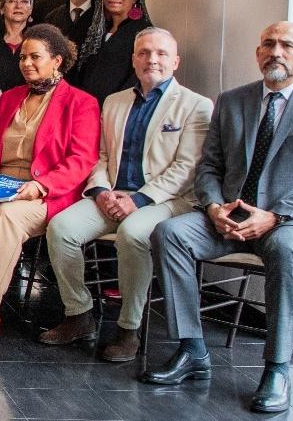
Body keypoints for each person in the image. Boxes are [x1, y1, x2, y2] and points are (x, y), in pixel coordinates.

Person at [142, 22, 293, 415]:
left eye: (287, 45)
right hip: (230, 215)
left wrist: (275, 215)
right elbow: (209, 167)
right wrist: (212, 207)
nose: (276, 51)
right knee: (169, 232)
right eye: (268, 44)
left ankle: (277, 368)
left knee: (288, 247)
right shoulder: (233, 100)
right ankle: (192, 349)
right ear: (258, 54)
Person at [40, 27, 213, 362]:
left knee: (133, 234)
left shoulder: (196, 105)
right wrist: (103, 191)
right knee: (61, 228)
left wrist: (138, 200)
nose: (152, 59)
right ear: (133, 60)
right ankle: (79, 314)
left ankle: (128, 328)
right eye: (144, 52)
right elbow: (101, 156)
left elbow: (186, 168)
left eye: (161, 53)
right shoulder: (115, 102)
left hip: (166, 201)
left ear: (175, 61)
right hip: (112, 194)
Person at [0, 23, 99, 346]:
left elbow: (82, 160)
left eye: (35, 57)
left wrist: (41, 186)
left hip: (44, 190)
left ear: (57, 60)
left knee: (7, 217)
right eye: (23, 58)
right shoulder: (10, 97)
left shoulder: (81, 102)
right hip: (0, 183)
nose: (26, 63)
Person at [71, 0, 153, 103]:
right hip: (85, 108)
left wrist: (113, 107)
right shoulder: (95, 30)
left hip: (117, 110)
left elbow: (139, 78)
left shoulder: (145, 34)